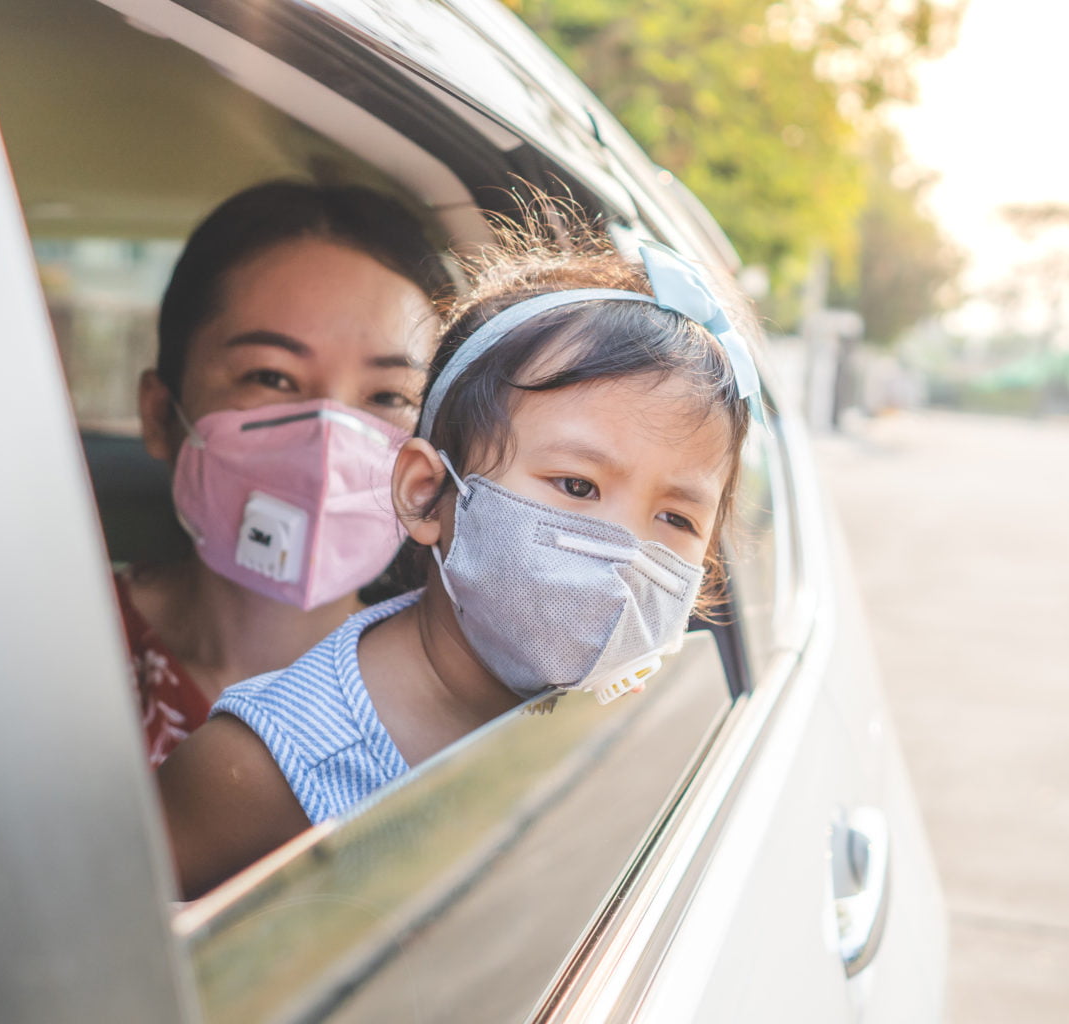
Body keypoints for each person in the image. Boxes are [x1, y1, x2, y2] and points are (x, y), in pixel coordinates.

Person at [158, 225, 762, 899]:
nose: (626, 554)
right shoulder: (264, 766)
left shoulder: (620, 714)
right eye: (576, 486)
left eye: (676, 520)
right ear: (426, 495)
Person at [120, 181, 449, 765]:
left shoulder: (454, 707)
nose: (326, 443)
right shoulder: (42, 654)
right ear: (158, 414)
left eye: (387, 395)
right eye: (270, 377)